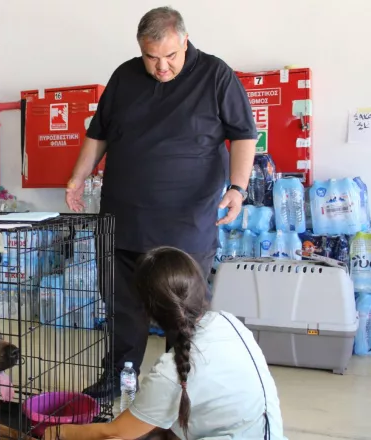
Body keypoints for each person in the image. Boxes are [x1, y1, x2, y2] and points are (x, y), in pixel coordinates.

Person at [65, 6, 258, 398]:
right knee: (122, 306)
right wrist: (78, 175)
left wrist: (237, 188)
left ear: (185, 40)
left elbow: (243, 134)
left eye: (170, 56)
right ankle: (118, 378)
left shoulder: (216, 75)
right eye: (151, 58)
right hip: (123, 219)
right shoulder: (125, 75)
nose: (161, 67)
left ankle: (183, 384)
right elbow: (98, 133)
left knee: (182, 311)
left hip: (184, 225)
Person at [44, 246, 286, 440]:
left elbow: (115, 432)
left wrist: (60, 432)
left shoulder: (170, 373)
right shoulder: (229, 322)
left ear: (147, 309)